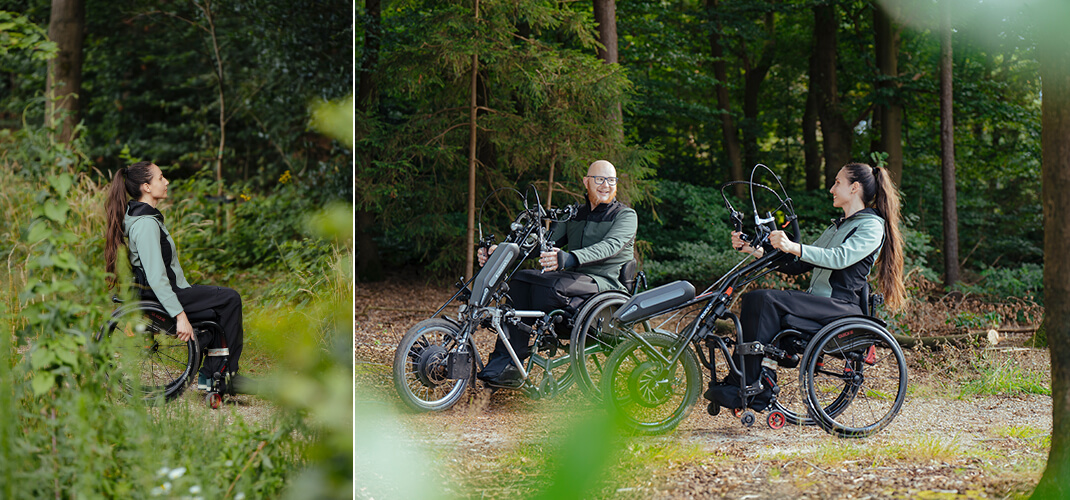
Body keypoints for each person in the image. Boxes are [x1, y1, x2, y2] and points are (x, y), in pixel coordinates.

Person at [705, 162, 906, 411]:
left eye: (837, 183)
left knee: (764, 299)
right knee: (757, 299)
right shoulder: (838, 226)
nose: (832, 189)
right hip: (821, 303)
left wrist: (791, 245)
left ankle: (748, 388)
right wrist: (753, 249)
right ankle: (743, 384)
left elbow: (839, 258)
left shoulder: (871, 226)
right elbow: (798, 265)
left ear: (854, 188)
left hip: (842, 306)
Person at [475, 160, 639, 387]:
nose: (606, 185)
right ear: (586, 182)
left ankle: (535, 338)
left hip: (605, 283)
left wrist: (569, 258)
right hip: (575, 280)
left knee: (551, 287)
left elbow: (610, 246)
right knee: (521, 280)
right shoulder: (575, 213)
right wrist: (500, 253)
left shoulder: (625, 215)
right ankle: (508, 363)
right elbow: (543, 244)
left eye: (611, 180)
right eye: (600, 179)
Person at [104, 161, 255, 394]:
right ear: (146, 186)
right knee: (230, 299)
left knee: (217, 305)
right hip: (160, 294)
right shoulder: (144, 224)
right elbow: (156, 276)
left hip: (163, 291)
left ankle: (211, 375)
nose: (166, 182)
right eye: (161, 178)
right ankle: (226, 376)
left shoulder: (145, 218)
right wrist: (180, 315)